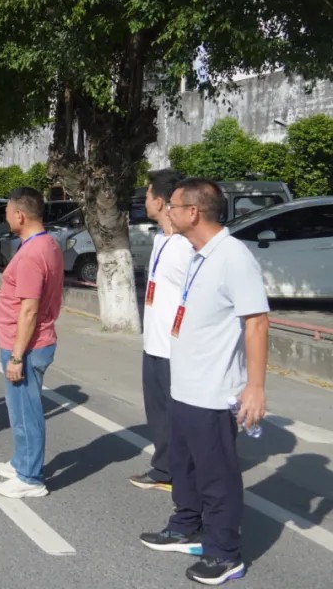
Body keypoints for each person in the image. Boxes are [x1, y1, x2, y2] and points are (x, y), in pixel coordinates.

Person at [139, 178, 269, 586]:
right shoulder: (198, 255)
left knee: (216, 476)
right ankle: (186, 526)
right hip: (184, 386)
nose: (169, 211)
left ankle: (224, 553)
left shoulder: (233, 257)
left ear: (193, 212)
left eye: (174, 206)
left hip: (214, 391)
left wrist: (255, 386)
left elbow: (257, 322)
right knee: (184, 467)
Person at [0, 187, 64, 498]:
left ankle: (31, 477)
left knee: (26, 412)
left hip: (26, 346)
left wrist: (17, 357)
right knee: (19, 409)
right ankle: (22, 461)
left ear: (20, 216)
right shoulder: (46, 244)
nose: (6, 217)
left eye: (8, 212)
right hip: (28, 341)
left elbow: (29, 309)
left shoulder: (33, 254)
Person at [130, 169, 192, 492]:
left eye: (147, 196)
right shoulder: (160, 240)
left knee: (178, 414)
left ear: (160, 201)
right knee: (157, 412)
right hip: (152, 342)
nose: (144, 202)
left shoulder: (185, 246)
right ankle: (164, 466)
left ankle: (185, 472)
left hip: (174, 347)